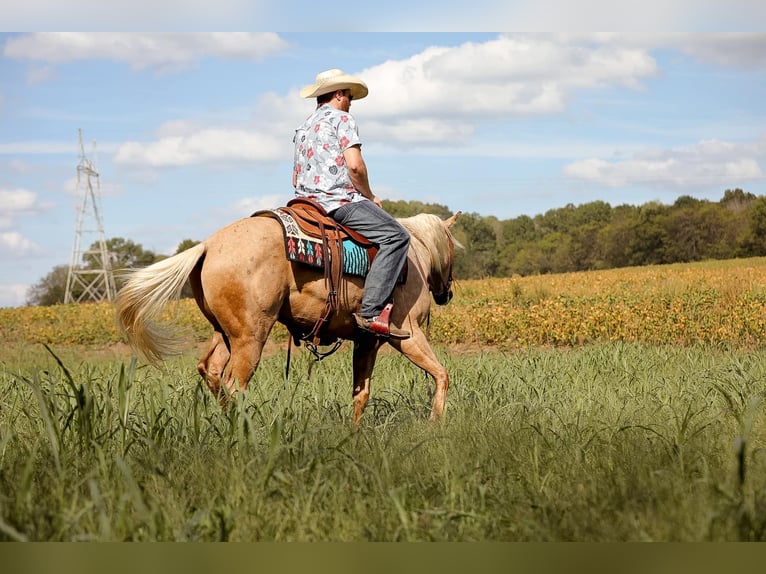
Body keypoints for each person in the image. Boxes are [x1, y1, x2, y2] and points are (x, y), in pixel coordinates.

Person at [293, 69, 411, 339]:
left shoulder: (303, 127)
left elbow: (295, 176)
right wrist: (369, 196)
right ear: (338, 94)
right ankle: (371, 313)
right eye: (349, 97)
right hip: (336, 201)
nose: (350, 103)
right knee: (396, 237)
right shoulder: (342, 119)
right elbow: (355, 166)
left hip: (304, 205)